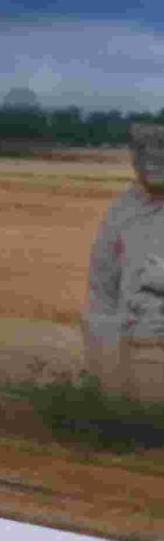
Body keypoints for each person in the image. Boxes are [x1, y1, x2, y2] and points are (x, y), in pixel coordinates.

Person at [85, 119, 164, 405]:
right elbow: (101, 292)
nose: (152, 156)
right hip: (132, 351)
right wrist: (103, 365)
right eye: (141, 147)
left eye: (162, 145)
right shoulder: (121, 215)